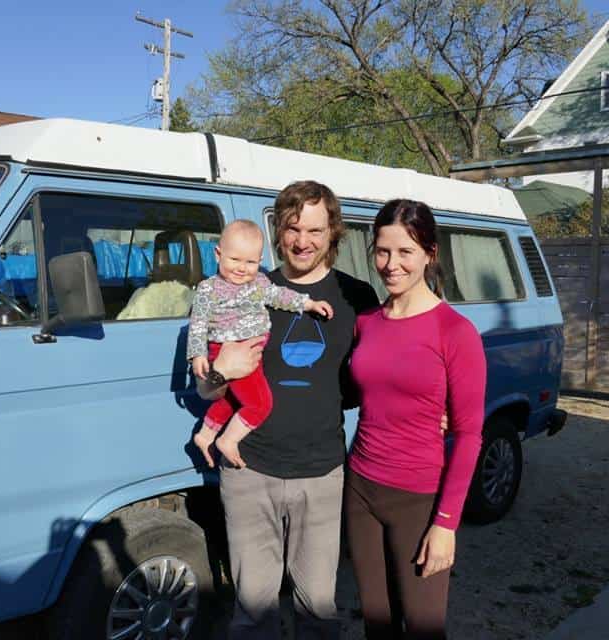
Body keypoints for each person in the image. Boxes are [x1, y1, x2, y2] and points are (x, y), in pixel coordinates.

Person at [194, 180, 379, 640]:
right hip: (249, 470)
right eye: (294, 228)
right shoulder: (245, 286)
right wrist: (218, 371)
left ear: (333, 232)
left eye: (315, 229)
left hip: (321, 473)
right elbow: (205, 392)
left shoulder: (358, 298)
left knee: (317, 609)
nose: (303, 240)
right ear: (278, 230)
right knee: (253, 610)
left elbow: (385, 371)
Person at [344, 199, 486, 639]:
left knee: (424, 629)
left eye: (405, 252)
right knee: (377, 624)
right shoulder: (366, 321)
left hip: (418, 501)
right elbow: (356, 391)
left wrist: (446, 525)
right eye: (383, 251)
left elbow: (468, 436)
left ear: (430, 253)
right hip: (361, 489)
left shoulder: (455, 332)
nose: (391, 265)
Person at [188, 219, 334, 468]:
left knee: (232, 400)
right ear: (218, 254)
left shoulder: (260, 283)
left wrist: (308, 304)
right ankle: (228, 441)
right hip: (228, 349)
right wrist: (198, 355)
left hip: (252, 351)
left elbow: (280, 296)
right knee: (260, 404)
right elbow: (198, 323)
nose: (242, 269)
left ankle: (206, 435)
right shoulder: (208, 289)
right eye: (235, 260)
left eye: (251, 262)